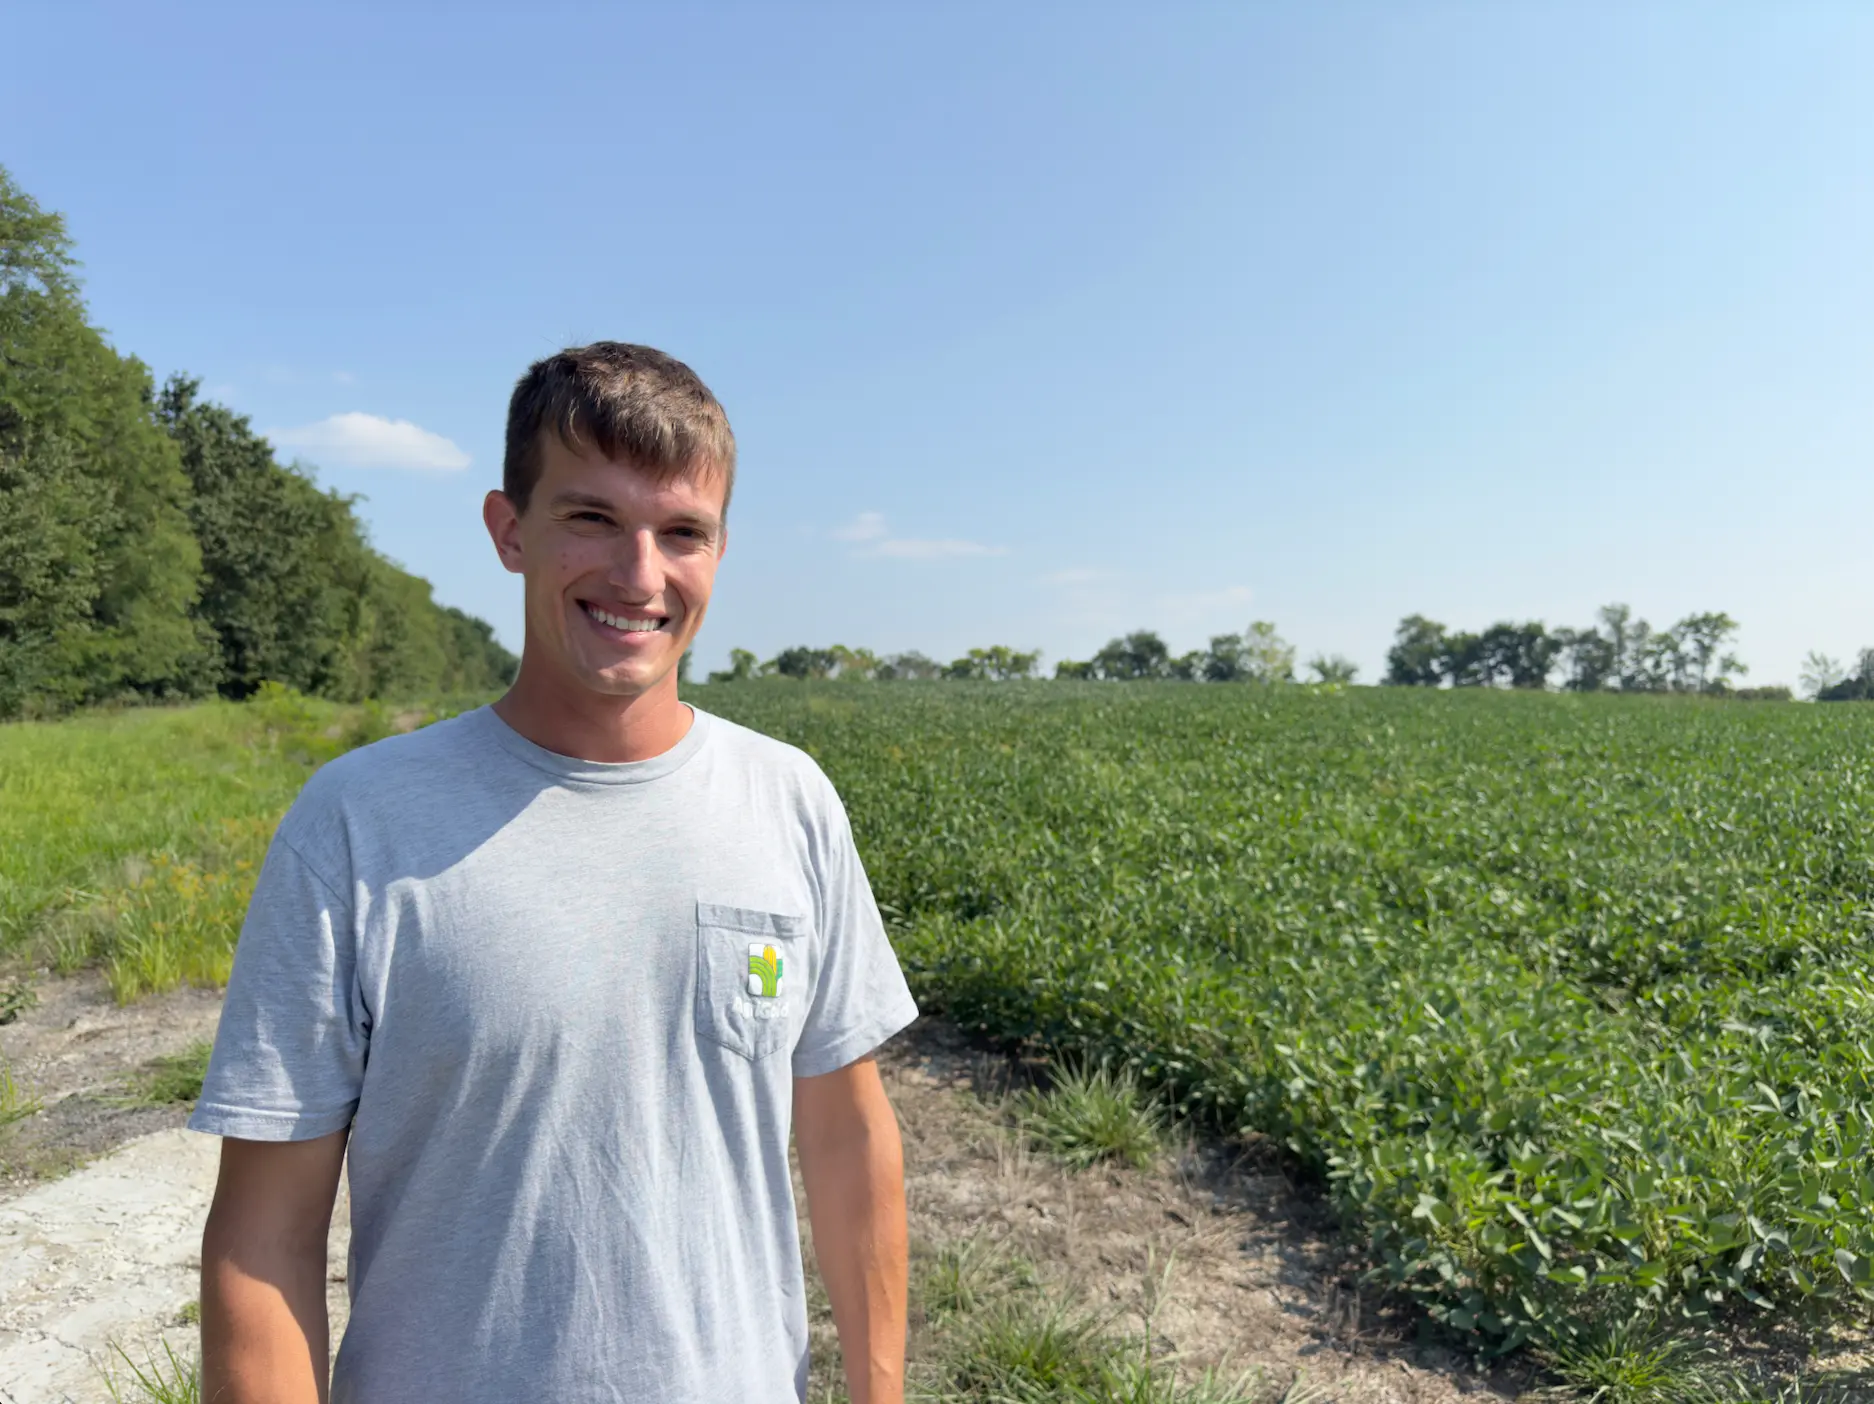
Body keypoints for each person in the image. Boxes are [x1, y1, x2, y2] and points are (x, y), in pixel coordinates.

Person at [190, 342, 919, 1404]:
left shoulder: (788, 801)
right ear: (508, 530)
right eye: (591, 519)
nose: (639, 576)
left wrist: (880, 1390)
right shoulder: (355, 825)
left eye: (682, 532)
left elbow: (848, 1137)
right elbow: (264, 1238)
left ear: (718, 551)